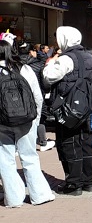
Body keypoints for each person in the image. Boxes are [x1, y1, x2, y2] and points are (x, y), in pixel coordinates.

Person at [0, 34, 55, 207]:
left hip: (2, 123)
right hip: (26, 120)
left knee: (5, 160)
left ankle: (14, 198)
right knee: (30, 157)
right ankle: (40, 195)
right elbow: (37, 97)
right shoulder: (23, 68)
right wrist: (36, 118)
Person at [42, 26, 92, 196]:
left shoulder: (66, 59)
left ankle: (74, 184)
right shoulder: (89, 57)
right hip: (86, 107)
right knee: (86, 142)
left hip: (69, 108)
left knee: (69, 144)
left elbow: (48, 76)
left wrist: (51, 62)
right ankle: (88, 181)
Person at [22, 44, 56, 151]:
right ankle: (43, 142)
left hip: (19, 97)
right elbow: (44, 83)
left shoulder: (15, 64)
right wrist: (47, 91)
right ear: (31, 52)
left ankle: (19, 146)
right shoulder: (37, 64)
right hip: (36, 94)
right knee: (39, 118)